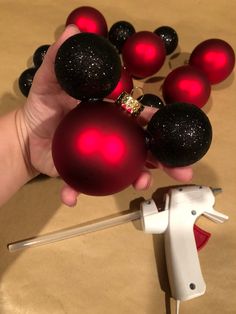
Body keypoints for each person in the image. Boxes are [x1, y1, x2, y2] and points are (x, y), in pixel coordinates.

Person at [0, 25, 192, 208]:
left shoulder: (123, 103)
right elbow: (121, 101)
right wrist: (22, 138)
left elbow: (124, 103)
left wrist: (21, 139)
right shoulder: (116, 102)